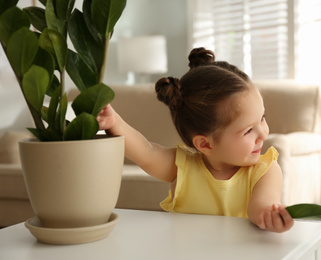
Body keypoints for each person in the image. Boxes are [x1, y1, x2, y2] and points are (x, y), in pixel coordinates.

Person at [98, 47, 294, 233]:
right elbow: (147, 153)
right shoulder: (182, 168)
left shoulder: (265, 171)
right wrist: (116, 123)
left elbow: (261, 205)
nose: (263, 133)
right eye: (248, 131)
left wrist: (269, 214)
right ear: (205, 144)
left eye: (262, 118)